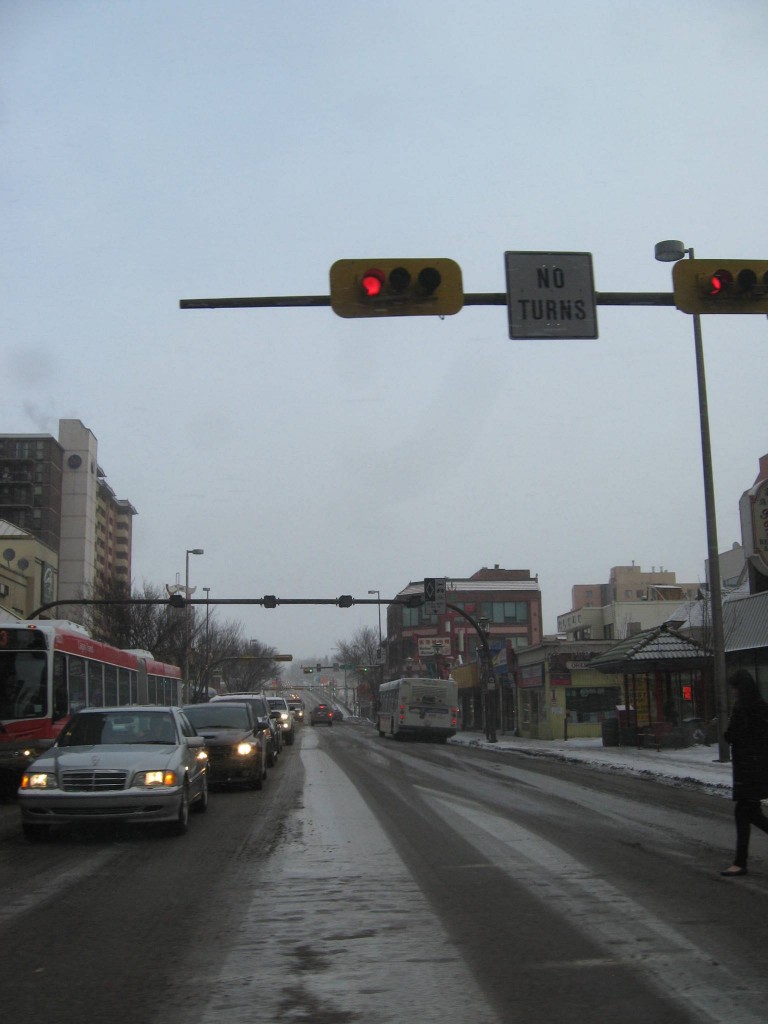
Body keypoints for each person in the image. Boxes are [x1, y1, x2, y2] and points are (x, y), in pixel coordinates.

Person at [720, 669, 768, 877]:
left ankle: (740, 863)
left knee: (743, 813)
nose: (733, 692)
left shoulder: (744, 709)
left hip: (748, 770)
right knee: (752, 814)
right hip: (756, 768)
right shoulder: (761, 707)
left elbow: (736, 735)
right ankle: (740, 862)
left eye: (734, 688)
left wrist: (728, 734)